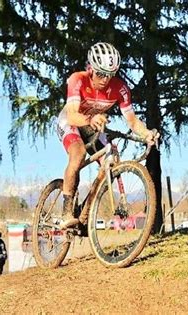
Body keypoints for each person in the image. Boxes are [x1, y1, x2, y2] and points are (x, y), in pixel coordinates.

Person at [56, 42, 158, 229]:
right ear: (91, 69)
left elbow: (133, 122)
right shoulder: (77, 79)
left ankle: (85, 215)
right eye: (101, 73)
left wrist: (147, 134)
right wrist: (90, 118)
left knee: (110, 161)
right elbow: (71, 114)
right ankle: (66, 212)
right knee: (78, 154)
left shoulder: (120, 88)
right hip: (72, 122)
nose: (105, 79)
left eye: (110, 75)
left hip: (93, 125)